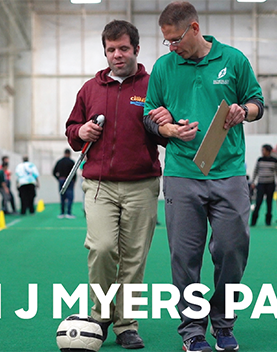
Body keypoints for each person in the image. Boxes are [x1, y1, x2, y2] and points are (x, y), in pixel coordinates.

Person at [143, 2, 264, 351]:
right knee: (185, 255)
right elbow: (150, 115)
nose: (171, 46)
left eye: (175, 39)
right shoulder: (164, 68)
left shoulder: (234, 60)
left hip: (229, 172)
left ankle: (223, 322)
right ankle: (192, 330)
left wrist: (244, 111)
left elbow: (257, 103)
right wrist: (168, 129)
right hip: (182, 173)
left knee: (232, 249)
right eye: (166, 41)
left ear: (195, 29)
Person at [65, 20, 165, 350]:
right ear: (105, 51)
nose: (117, 55)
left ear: (136, 49)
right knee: (103, 248)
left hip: (142, 183)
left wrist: (166, 125)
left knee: (134, 258)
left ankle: (127, 324)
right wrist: (80, 133)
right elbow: (72, 130)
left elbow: (166, 132)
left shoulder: (154, 85)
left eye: (123, 48)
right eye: (111, 49)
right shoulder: (90, 89)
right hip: (98, 185)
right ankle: (100, 316)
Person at [250, 144, 277, 226]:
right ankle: (253, 221)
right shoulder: (260, 160)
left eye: (264, 150)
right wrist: (253, 182)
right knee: (258, 202)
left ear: (268, 151)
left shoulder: (274, 160)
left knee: (269, 203)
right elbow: (256, 171)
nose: (262, 152)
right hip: (261, 184)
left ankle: (268, 221)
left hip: (270, 184)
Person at [53, 148, 76, 219]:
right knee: (70, 197)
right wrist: (74, 181)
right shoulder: (71, 162)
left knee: (62, 197)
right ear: (69, 154)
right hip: (69, 181)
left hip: (61, 180)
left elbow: (54, 172)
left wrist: (58, 179)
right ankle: (69, 213)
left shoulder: (59, 161)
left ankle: (62, 213)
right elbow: (74, 172)